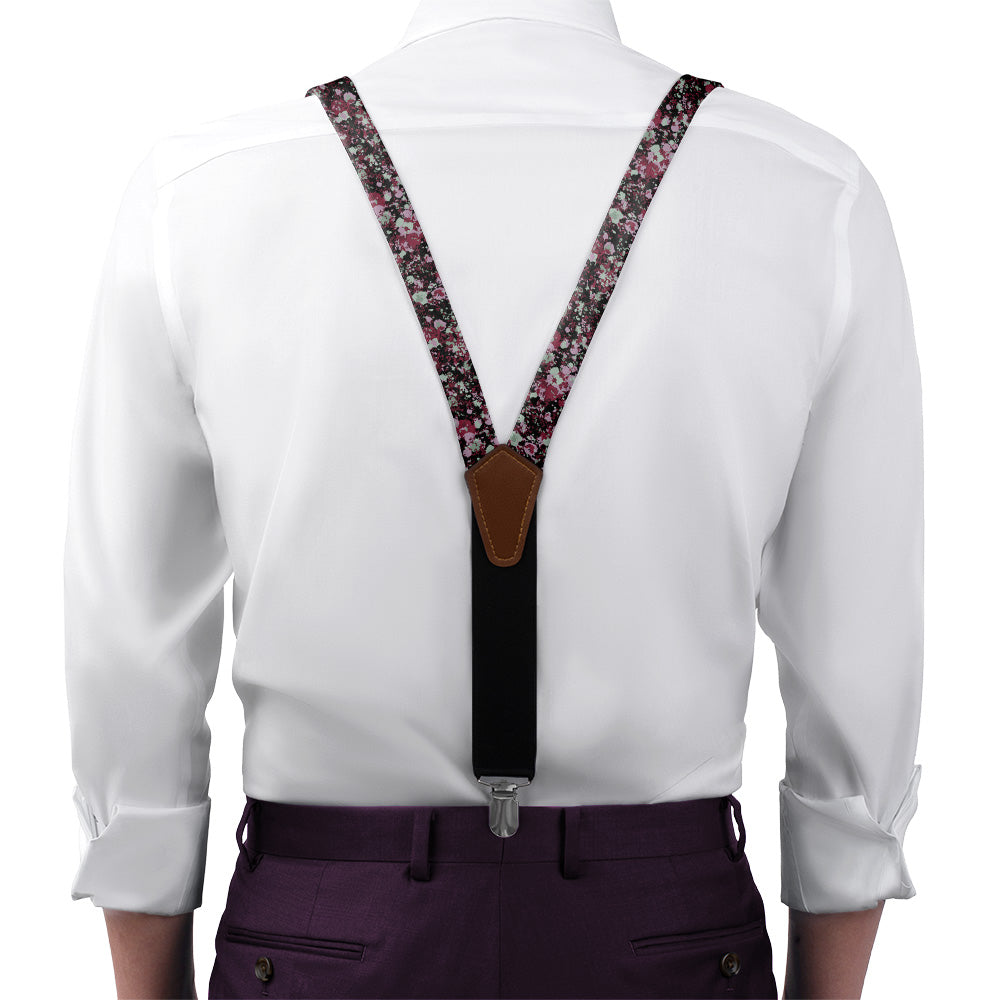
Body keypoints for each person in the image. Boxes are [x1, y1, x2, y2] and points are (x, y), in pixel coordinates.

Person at [63, 1, 924, 998]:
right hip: (665, 928)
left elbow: (127, 650)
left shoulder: (200, 192)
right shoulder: (806, 190)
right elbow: (859, 659)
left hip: (322, 927)